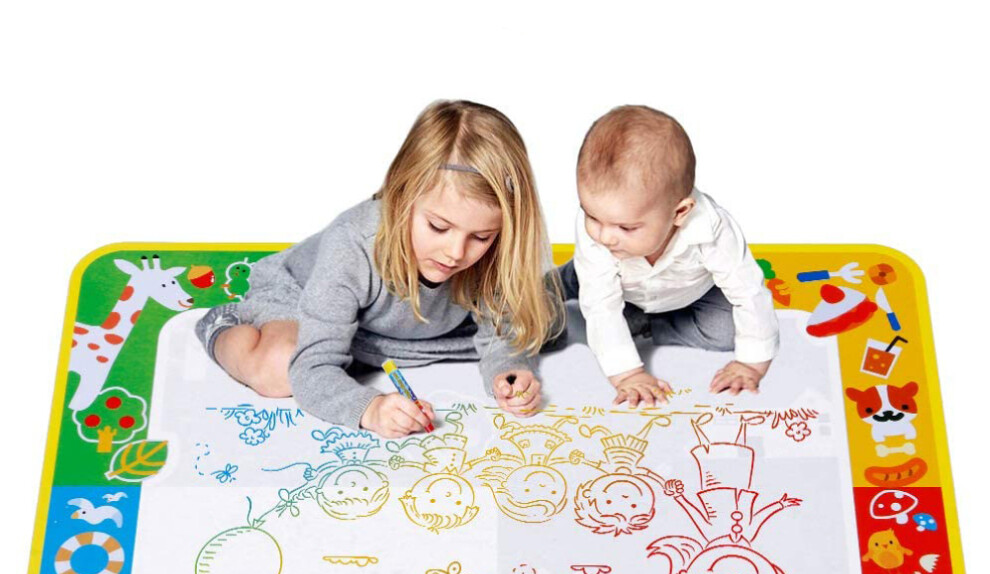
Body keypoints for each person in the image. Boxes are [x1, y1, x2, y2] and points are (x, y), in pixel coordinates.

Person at [195, 100, 564, 438]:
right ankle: (222, 328)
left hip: (398, 329)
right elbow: (313, 368)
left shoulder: (494, 248)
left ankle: (573, 278)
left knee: (544, 320)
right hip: (304, 296)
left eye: (481, 237)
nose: (456, 253)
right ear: (402, 196)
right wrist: (369, 408)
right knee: (279, 369)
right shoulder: (353, 244)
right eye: (438, 227)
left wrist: (507, 372)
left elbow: (502, 334)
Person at [558, 105, 778, 408]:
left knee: (726, 331)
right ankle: (553, 285)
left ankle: (647, 325)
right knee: (576, 288)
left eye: (626, 227)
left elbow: (748, 290)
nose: (605, 235)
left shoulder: (712, 228)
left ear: (680, 212)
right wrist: (628, 374)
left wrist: (751, 364)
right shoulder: (601, 236)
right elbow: (600, 306)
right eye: (591, 216)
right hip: (611, 279)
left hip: (687, 293)